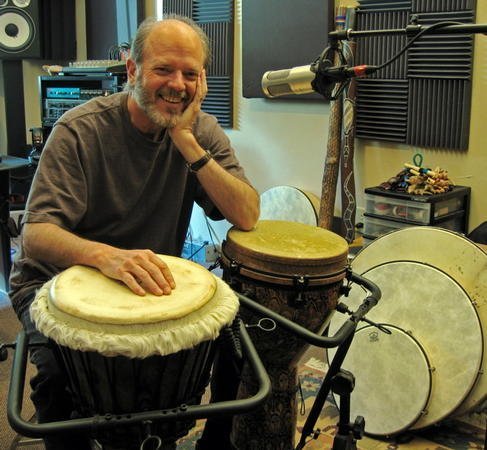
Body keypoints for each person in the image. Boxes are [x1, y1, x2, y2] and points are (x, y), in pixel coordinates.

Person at [8, 15, 259, 450]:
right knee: (56, 378)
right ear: (132, 70)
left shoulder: (200, 131)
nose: (177, 84)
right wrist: (109, 257)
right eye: (164, 69)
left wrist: (185, 140)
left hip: (144, 282)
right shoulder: (79, 131)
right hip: (52, 283)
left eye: (190, 73)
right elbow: (37, 234)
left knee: (239, 346)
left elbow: (248, 214)